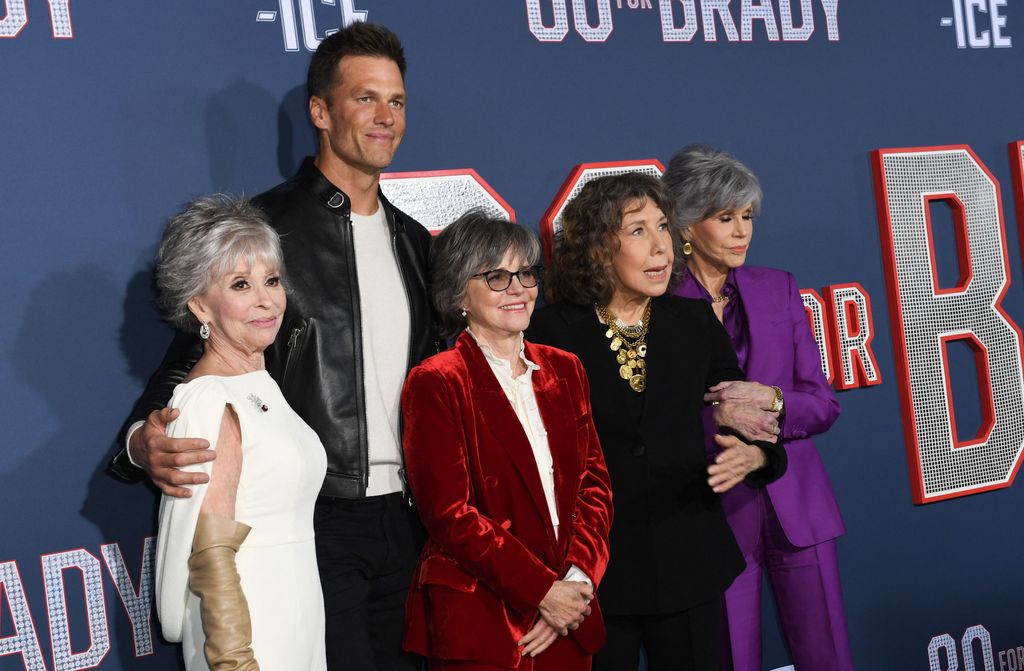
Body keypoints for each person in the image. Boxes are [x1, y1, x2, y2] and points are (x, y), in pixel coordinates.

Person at [110, 23, 438, 671]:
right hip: (317, 522)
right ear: (320, 111)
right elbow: (189, 366)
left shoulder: (416, 242)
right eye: (365, 98)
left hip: (409, 523)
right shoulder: (264, 233)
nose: (386, 117)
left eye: (396, 101)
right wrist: (141, 442)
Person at [525, 172, 786, 671]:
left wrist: (754, 455)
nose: (661, 246)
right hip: (592, 572)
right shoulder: (550, 333)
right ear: (599, 248)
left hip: (687, 559)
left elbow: (746, 415)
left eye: (663, 227)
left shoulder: (694, 323)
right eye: (638, 230)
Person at [663, 145, 852, 671]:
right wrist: (718, 421)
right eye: (725, 218)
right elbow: (654, 420)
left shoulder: (778, 288)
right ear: (686, 224)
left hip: (799, 506)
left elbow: (823, 405)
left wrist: (772, 400)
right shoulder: (660, 305)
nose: (742, 231)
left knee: (828, 657)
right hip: (713, 509)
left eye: (747, 216)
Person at [400, 211, 613, 670]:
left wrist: (577, 584)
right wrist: (542, 593)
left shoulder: (566, 368)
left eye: (526, 273)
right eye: (496, 277)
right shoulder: (436, 381)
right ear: (459, 292)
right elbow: (450, 515)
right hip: (484, 622)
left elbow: (594, 488)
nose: (518, 288)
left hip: (569, 617)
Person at [151, 195, 326, 670]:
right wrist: (234, 661)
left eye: (272, 280)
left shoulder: (261, 383)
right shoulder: (209, 398)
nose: (266, 299)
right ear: (199, 305)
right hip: (245, 626)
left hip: (296, 612)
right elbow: (211, 556)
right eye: (241, 285)